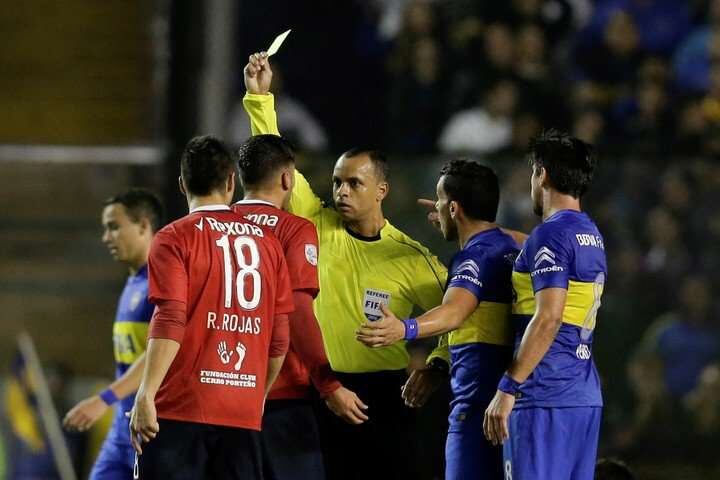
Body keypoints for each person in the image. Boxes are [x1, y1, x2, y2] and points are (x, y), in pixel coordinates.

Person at [243, 51, 448, 480]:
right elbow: (277, 164)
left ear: (382, 190)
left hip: (384, 397)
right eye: (337, 181)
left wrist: (436, 366)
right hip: (318, 389)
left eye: (354, 182)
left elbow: (459, 316)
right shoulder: (313, 222)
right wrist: (260, 98)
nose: (341, 190)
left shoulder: (411, 258)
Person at [130, 135, 294, 479]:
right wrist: (256, 395)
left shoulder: (174, 238)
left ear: (182, 184)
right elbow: (279, 337)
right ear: (231, 181)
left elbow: (171, 318)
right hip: (242, 413)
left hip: (181, 410)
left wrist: (146, 394)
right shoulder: (269, 244)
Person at [357, 159, 519, 479]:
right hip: (507, 407)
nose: (438, 207)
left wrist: (405, 327)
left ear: (455, 208)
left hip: (475, 411)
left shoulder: (473, 257)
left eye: (441, 200)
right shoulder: (511, 246)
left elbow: (455, 311)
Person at [232, 133, 367, 480]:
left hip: (224, 394)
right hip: (282, 396)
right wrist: (328, 383)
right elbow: (297, 311)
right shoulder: (294, 230)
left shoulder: (216, 229)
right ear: (287, 179)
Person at [484, 129, 606, 480]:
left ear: (542, 174)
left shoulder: (549, 234)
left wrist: (508, 387)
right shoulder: (590, 233)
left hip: (543, 394)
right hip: (582, 397)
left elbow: (549, 317)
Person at [63, 188, 163, 480]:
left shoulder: (162, 281)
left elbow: (157, 352)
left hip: (150, 428)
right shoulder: (134, 281)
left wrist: (103, 398)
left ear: (144, 225)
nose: (106, 237)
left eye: (114, 227)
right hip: (122, 426)